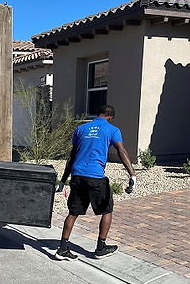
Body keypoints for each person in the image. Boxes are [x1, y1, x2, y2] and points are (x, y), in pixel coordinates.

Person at [55, 104, 136, 261]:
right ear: (110, 118)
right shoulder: (112, 130)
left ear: (97, 114)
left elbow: (71, 157)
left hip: (77, 176)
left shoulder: (81, 129)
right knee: (106, 210)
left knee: (73, 212)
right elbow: (121, 151)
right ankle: (101, 247)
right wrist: (132, 174)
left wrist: (63, 180)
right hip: (95, 177)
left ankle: (62, 249)